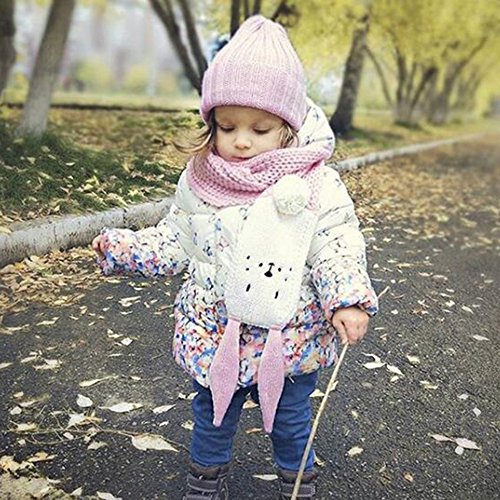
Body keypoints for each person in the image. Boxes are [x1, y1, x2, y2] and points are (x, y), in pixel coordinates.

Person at [92, 15, 378, 500]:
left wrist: (346, 299)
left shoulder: (315, 183)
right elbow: (177, 238)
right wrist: (126, 248)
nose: (242, 140)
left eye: (260, 128)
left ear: (287, 128)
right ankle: (205, 483)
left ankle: (298, 483)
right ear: (212, 124)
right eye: (227, 126)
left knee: (290, 418)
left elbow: (336, 245)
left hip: (288, 336)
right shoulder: (201, 179)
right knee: (212, 414)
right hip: (216, 331)